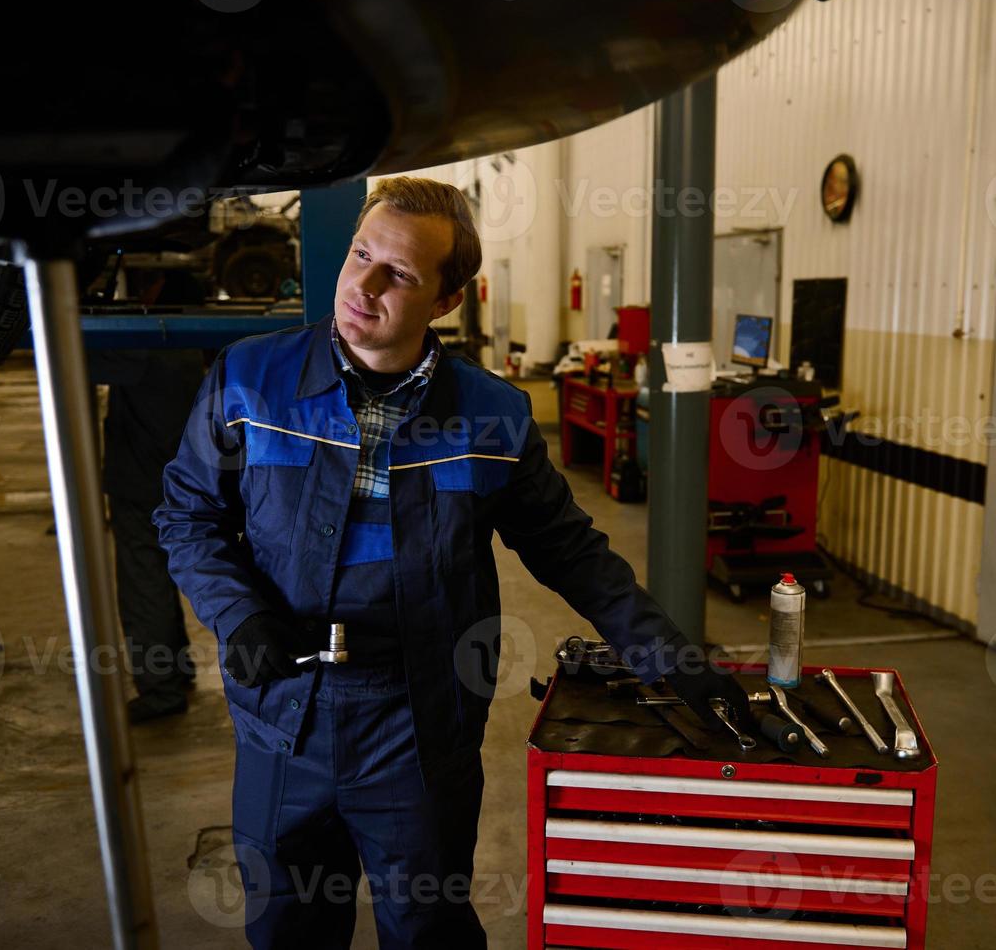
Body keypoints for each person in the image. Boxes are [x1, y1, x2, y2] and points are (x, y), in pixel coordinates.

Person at [154, 177, 750, 947]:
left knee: (427, 926)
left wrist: (664, 651)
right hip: (281, 718)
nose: (361, 286)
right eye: (360, 255)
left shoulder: (491, 415)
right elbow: (185, 512)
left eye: (396, 274)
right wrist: (238, 613)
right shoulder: (248, 379)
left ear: (444, 301)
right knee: (288, 928)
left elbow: (568, 549)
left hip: (417, 725)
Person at [90, 273, 206, 724]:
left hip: (142, 490)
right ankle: (176, 670)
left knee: (144, 589)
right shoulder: (185, 348)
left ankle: (161, 690)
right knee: (161, 581)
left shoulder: (144, 346)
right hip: (175, 485)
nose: (143, 292)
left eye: (151, 283)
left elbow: (70, 353)